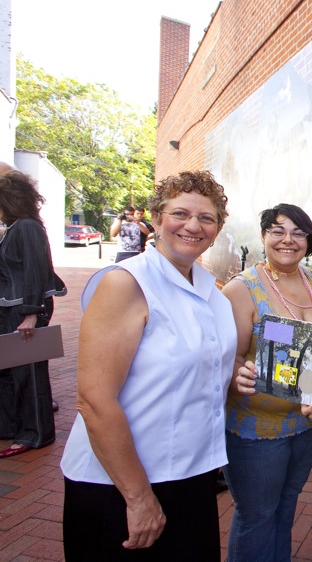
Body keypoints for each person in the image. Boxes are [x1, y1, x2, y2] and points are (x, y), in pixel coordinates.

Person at [60, 170, 237, 561]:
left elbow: (204, 368)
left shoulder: (212, 292)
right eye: (180, 214)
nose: (193, 226)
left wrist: (236, 375)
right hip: (120, 484)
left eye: (206, 218)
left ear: (217, 229)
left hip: (190, 476)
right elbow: (94, 401)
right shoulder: (126, 283)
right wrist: (138, 497)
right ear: (156, 219)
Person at [224, 203, 312, 562]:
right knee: (256, 516)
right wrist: (236, 373)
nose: (288, 240)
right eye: (278, 231)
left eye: (298, 233)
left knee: (286, 506)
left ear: (309, 241)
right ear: (264, 236)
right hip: (257, 430)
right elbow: (227, 358)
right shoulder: (243, 289)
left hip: (307, 424)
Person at [0, 170, 65, 458]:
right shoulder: (17, 227)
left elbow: (35, 272)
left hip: (24, 311)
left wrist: (30, 314)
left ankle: (35, 433)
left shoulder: (26, 228)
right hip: (13, 309)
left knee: (28, 374)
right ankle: (12, 426)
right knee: (10, 372)